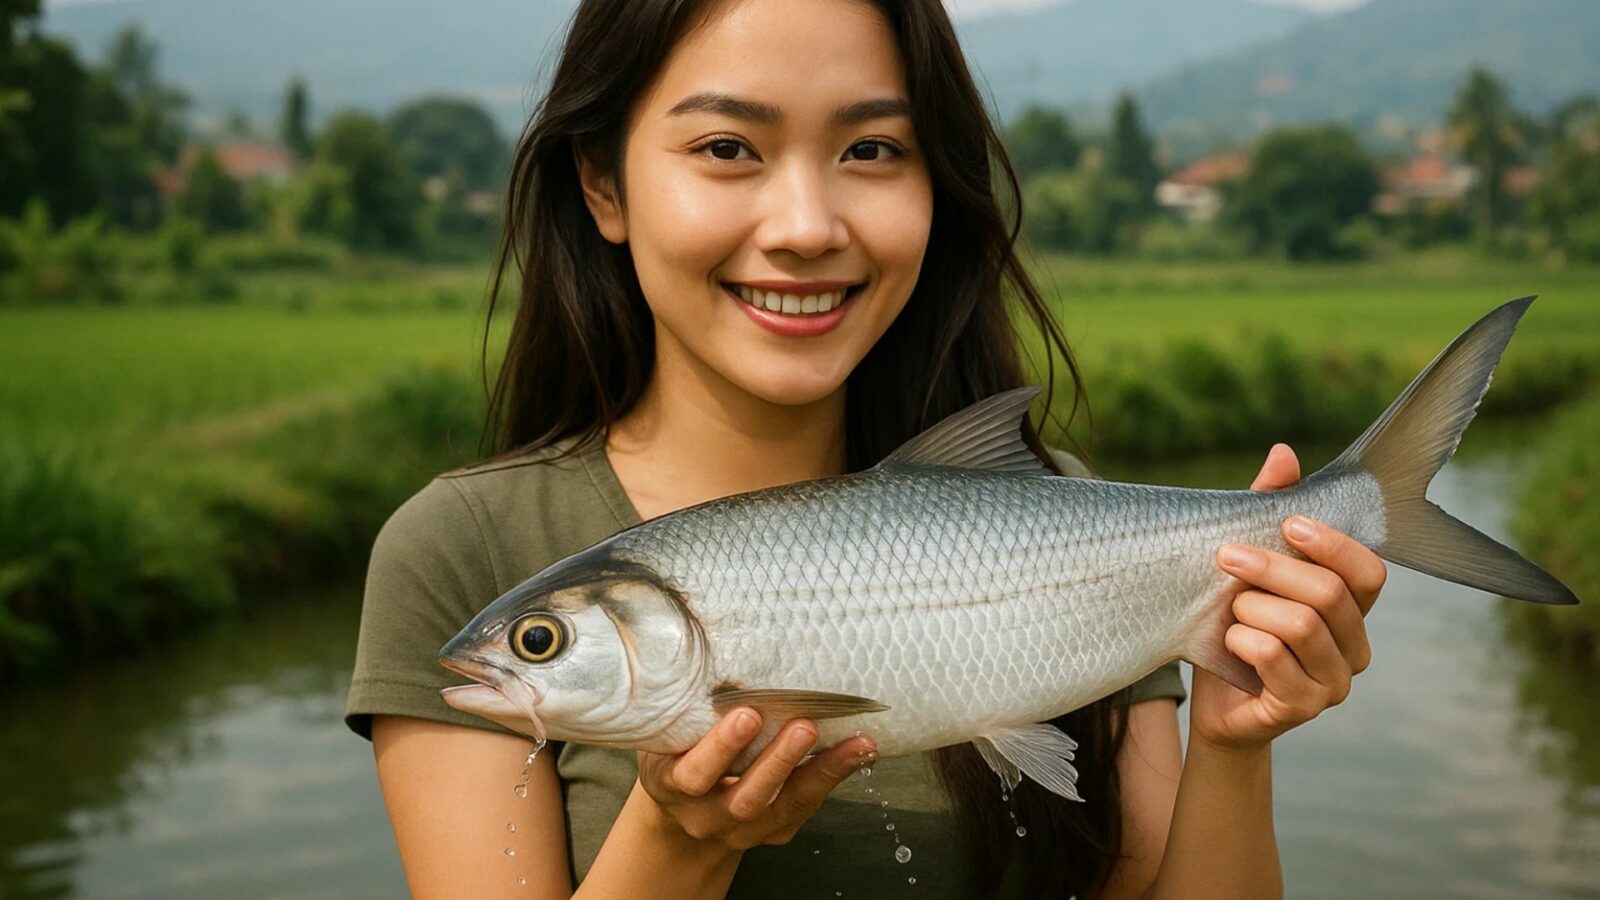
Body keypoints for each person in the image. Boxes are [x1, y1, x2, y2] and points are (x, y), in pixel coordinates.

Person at [344, 0, 1388, 897]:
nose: (805, 225)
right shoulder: (465, 547)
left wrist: (1231, 743)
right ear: (603, 185)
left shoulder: (1057, 515)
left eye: (872, 150)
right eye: (726, 149)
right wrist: (676, 841)